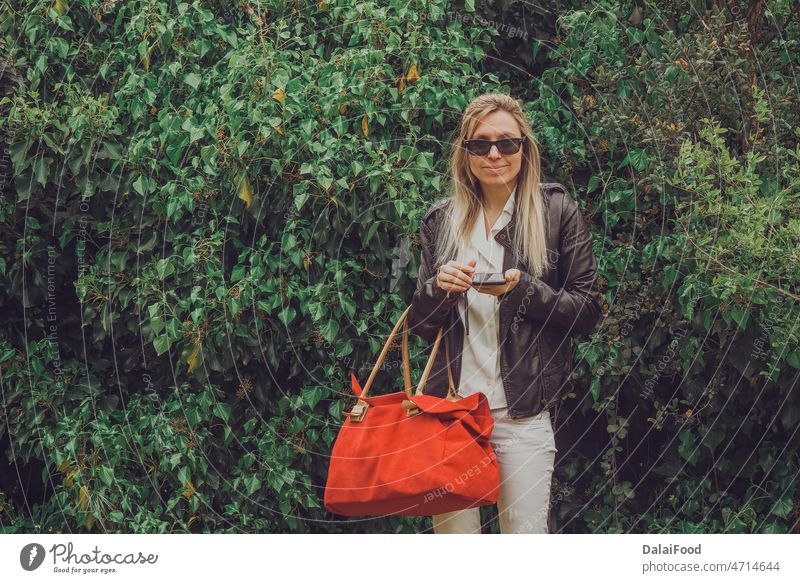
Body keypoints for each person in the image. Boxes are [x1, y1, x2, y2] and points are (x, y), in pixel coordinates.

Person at [406, 92, 602, 533]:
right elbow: (419, 325)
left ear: (524, 148)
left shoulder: (555, 212)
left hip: (523, 415)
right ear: (466, 152)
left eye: (507, 143)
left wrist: (525, 291)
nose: (494, 154)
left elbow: (587, 311)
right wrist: (438, 288)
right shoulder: (442, 221)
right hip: (453, 414)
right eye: (481, 144)